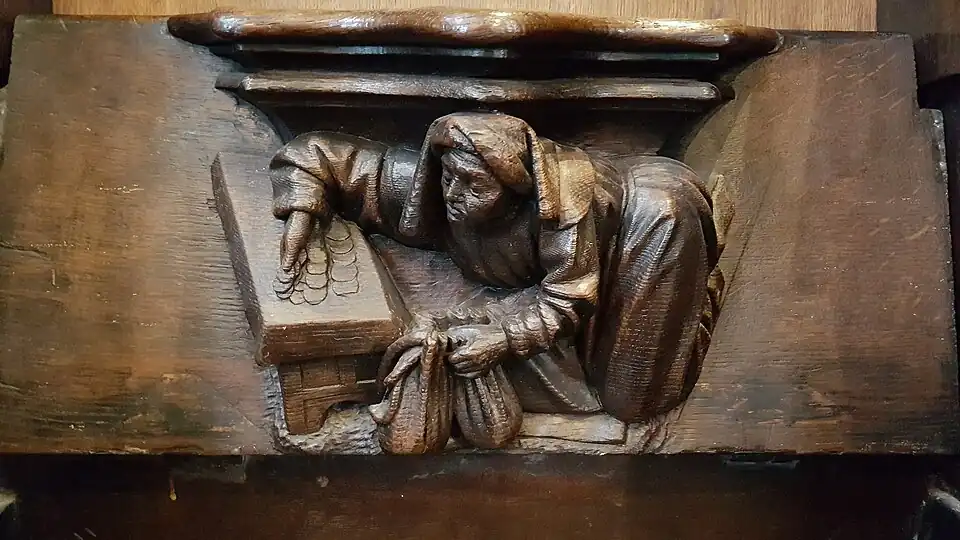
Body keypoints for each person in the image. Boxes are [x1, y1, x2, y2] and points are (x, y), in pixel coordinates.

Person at [270, 112, 721, 423]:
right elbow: (320, 153)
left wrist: (503, 337)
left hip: (652, 223)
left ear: (516, 186)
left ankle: (700, 291)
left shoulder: (562, 206)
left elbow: (567, 297)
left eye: (474, 184)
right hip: (555, 283)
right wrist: (303, 207)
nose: (454, 194)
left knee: (634, 400)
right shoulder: (433, 190)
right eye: (449, 177)